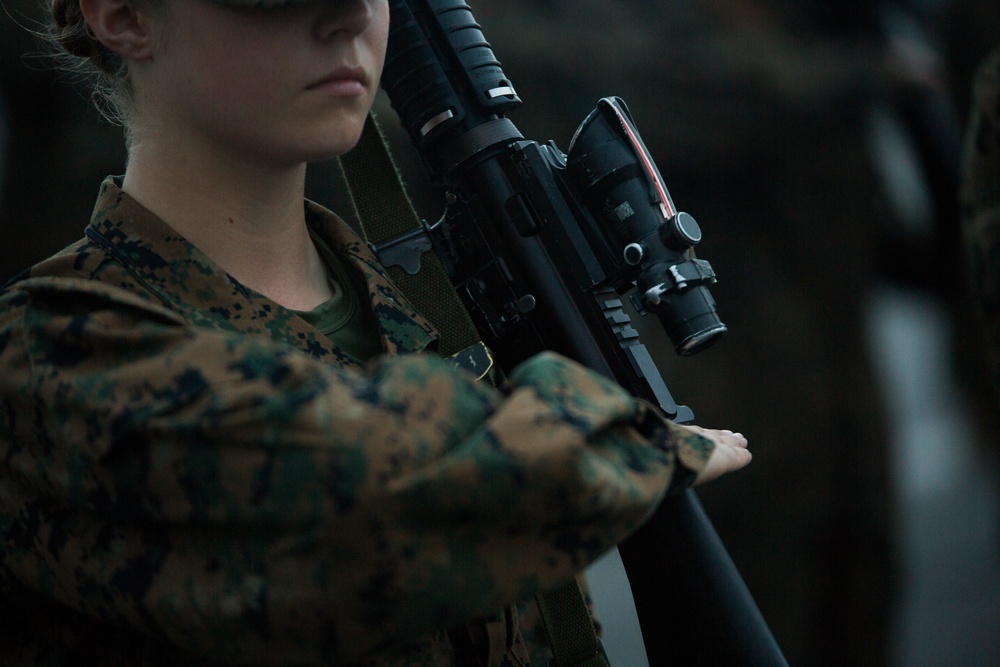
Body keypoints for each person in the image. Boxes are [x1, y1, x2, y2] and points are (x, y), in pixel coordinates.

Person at [0, 0, 752, 665]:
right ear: (124, 14)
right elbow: (343, 500)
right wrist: (618, 443)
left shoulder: (425, 324)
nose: (349, 16)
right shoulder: (44, 352)